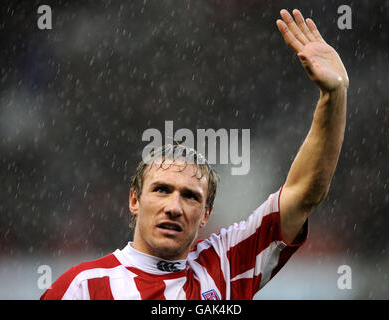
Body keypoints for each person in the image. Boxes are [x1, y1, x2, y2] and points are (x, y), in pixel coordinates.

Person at [40, 9, 348, 300]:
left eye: (191, 196)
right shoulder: (82, 287)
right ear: (134, 199)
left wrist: (333, 96)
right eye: (161, 190)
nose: (174, 207)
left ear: (206, 215)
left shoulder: (225, 265)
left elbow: (304, 191)